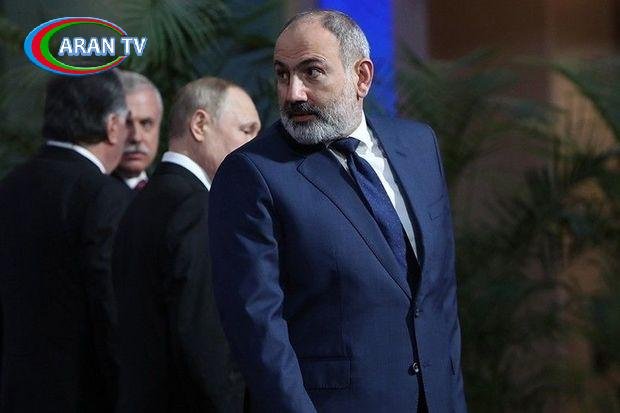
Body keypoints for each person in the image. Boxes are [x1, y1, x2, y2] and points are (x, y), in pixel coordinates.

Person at [208, 10, 467, 413]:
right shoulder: (253, 173)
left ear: (361, 77)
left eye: (311, 72)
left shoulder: (419, 145)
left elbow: (440, 298)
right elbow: (257, 332)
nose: (293, 93)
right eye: (282, 75)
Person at [112, 77, 261, 413]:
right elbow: (205, 341)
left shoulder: (142, 201)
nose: (254, 145)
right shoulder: (197, 209)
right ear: (200, 125)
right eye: (246, 130)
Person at [0, 71, 132, 413]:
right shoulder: (105, 196)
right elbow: (111, 306)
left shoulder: (10, 186)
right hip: (84, 396)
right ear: (112, 126)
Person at [112, 70, 163, 191]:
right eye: (126, 123)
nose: (136, 137)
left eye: (146, 123)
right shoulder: (91, 193)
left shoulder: (166, 192)